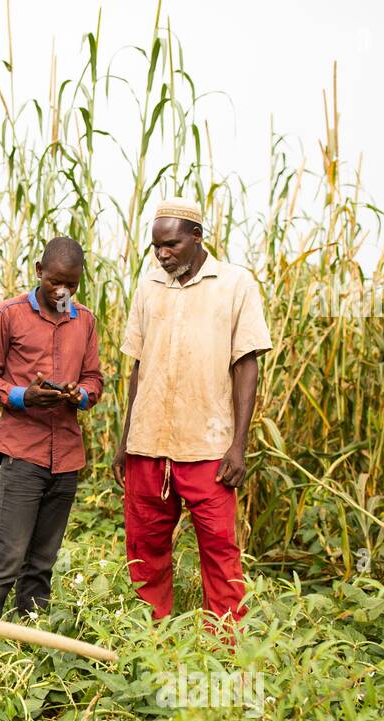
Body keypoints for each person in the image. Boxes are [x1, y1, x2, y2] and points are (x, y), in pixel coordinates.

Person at [113, 197, 272, 639]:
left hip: (207, 446)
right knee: (145, 548)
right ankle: (150, 638)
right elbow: (138, 366)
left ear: (197, 238)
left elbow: (247, 366)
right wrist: (125, 441)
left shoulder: (235, 284)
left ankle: (224, 645)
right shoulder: (148, 285)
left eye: (171, 245)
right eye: (155, 247)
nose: (162, 254)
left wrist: (238, 446)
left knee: (220, 550)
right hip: (148, 444)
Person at [0, 237, 104, 620]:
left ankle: (29, 634)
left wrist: (80, 395)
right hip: (22, 452)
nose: (62, 291)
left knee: (43, 559)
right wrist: (22, 397)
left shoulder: (86, 321)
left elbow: (94, 379)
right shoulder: (8, 315)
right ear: (38, 271)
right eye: (55, 282)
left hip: (66, 456)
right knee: (8, 555)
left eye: (72, 285)